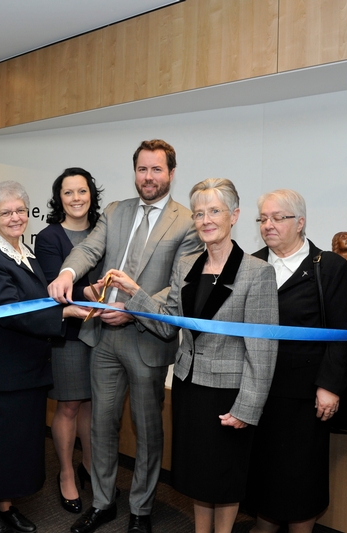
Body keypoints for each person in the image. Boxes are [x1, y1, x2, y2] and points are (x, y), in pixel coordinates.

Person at [108, 178, 278, 533]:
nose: (205, 220)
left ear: (234, 215)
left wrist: (248, 407)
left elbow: (262, 350)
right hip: (189, 386)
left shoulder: (257, 272)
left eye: (214, 211)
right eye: (199, 213)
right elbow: (168, 323)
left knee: (225, 477)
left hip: (230, 396)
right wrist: (135, 294)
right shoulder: (187, 264)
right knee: (199, 476)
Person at [48, 140, 202, 533]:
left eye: (156, 170)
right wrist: (67, 273)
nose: (148, 177)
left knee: (147, 430)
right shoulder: (116, 211)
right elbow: (89, 250)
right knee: (101, 425)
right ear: (134, 171)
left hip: (148, 339)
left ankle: (141, 510)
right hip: (104, 339)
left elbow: (180, 286)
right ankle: (103, 503)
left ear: (171, 172)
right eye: (142, 169)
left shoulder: (186, 222)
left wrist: (133, 306)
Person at [0, 181, 88, 533]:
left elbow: (45, 298)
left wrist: (85, 295)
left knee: (15, 446)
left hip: (25, 369)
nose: (15, 218)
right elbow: (11, 311)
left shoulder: (25, 252)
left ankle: (6, 504)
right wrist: (65, 315)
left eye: (20, 211)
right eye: (6, 212)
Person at [246, 190, 347, 533]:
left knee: (302, 475)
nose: (269, 225)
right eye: (263, 218)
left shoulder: (329, 266)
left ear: (301, 222)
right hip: (259, 390)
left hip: (307, 395)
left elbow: (342, 332)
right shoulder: (252, 264)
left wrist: (329, 386)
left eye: (278, 217)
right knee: (263, 469)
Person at [35, 168, 104, 514]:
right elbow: (53, 288)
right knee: (68, 406)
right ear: (58, 198)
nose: (76, 198)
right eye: (68, 192)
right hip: (70, 336)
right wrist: (92, 292)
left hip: (105, 332)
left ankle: (90, 467)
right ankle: (66, 473)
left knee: (92, 405)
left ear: (91, 194)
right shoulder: (49, 237)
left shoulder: (103, 230)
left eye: (82, 191)